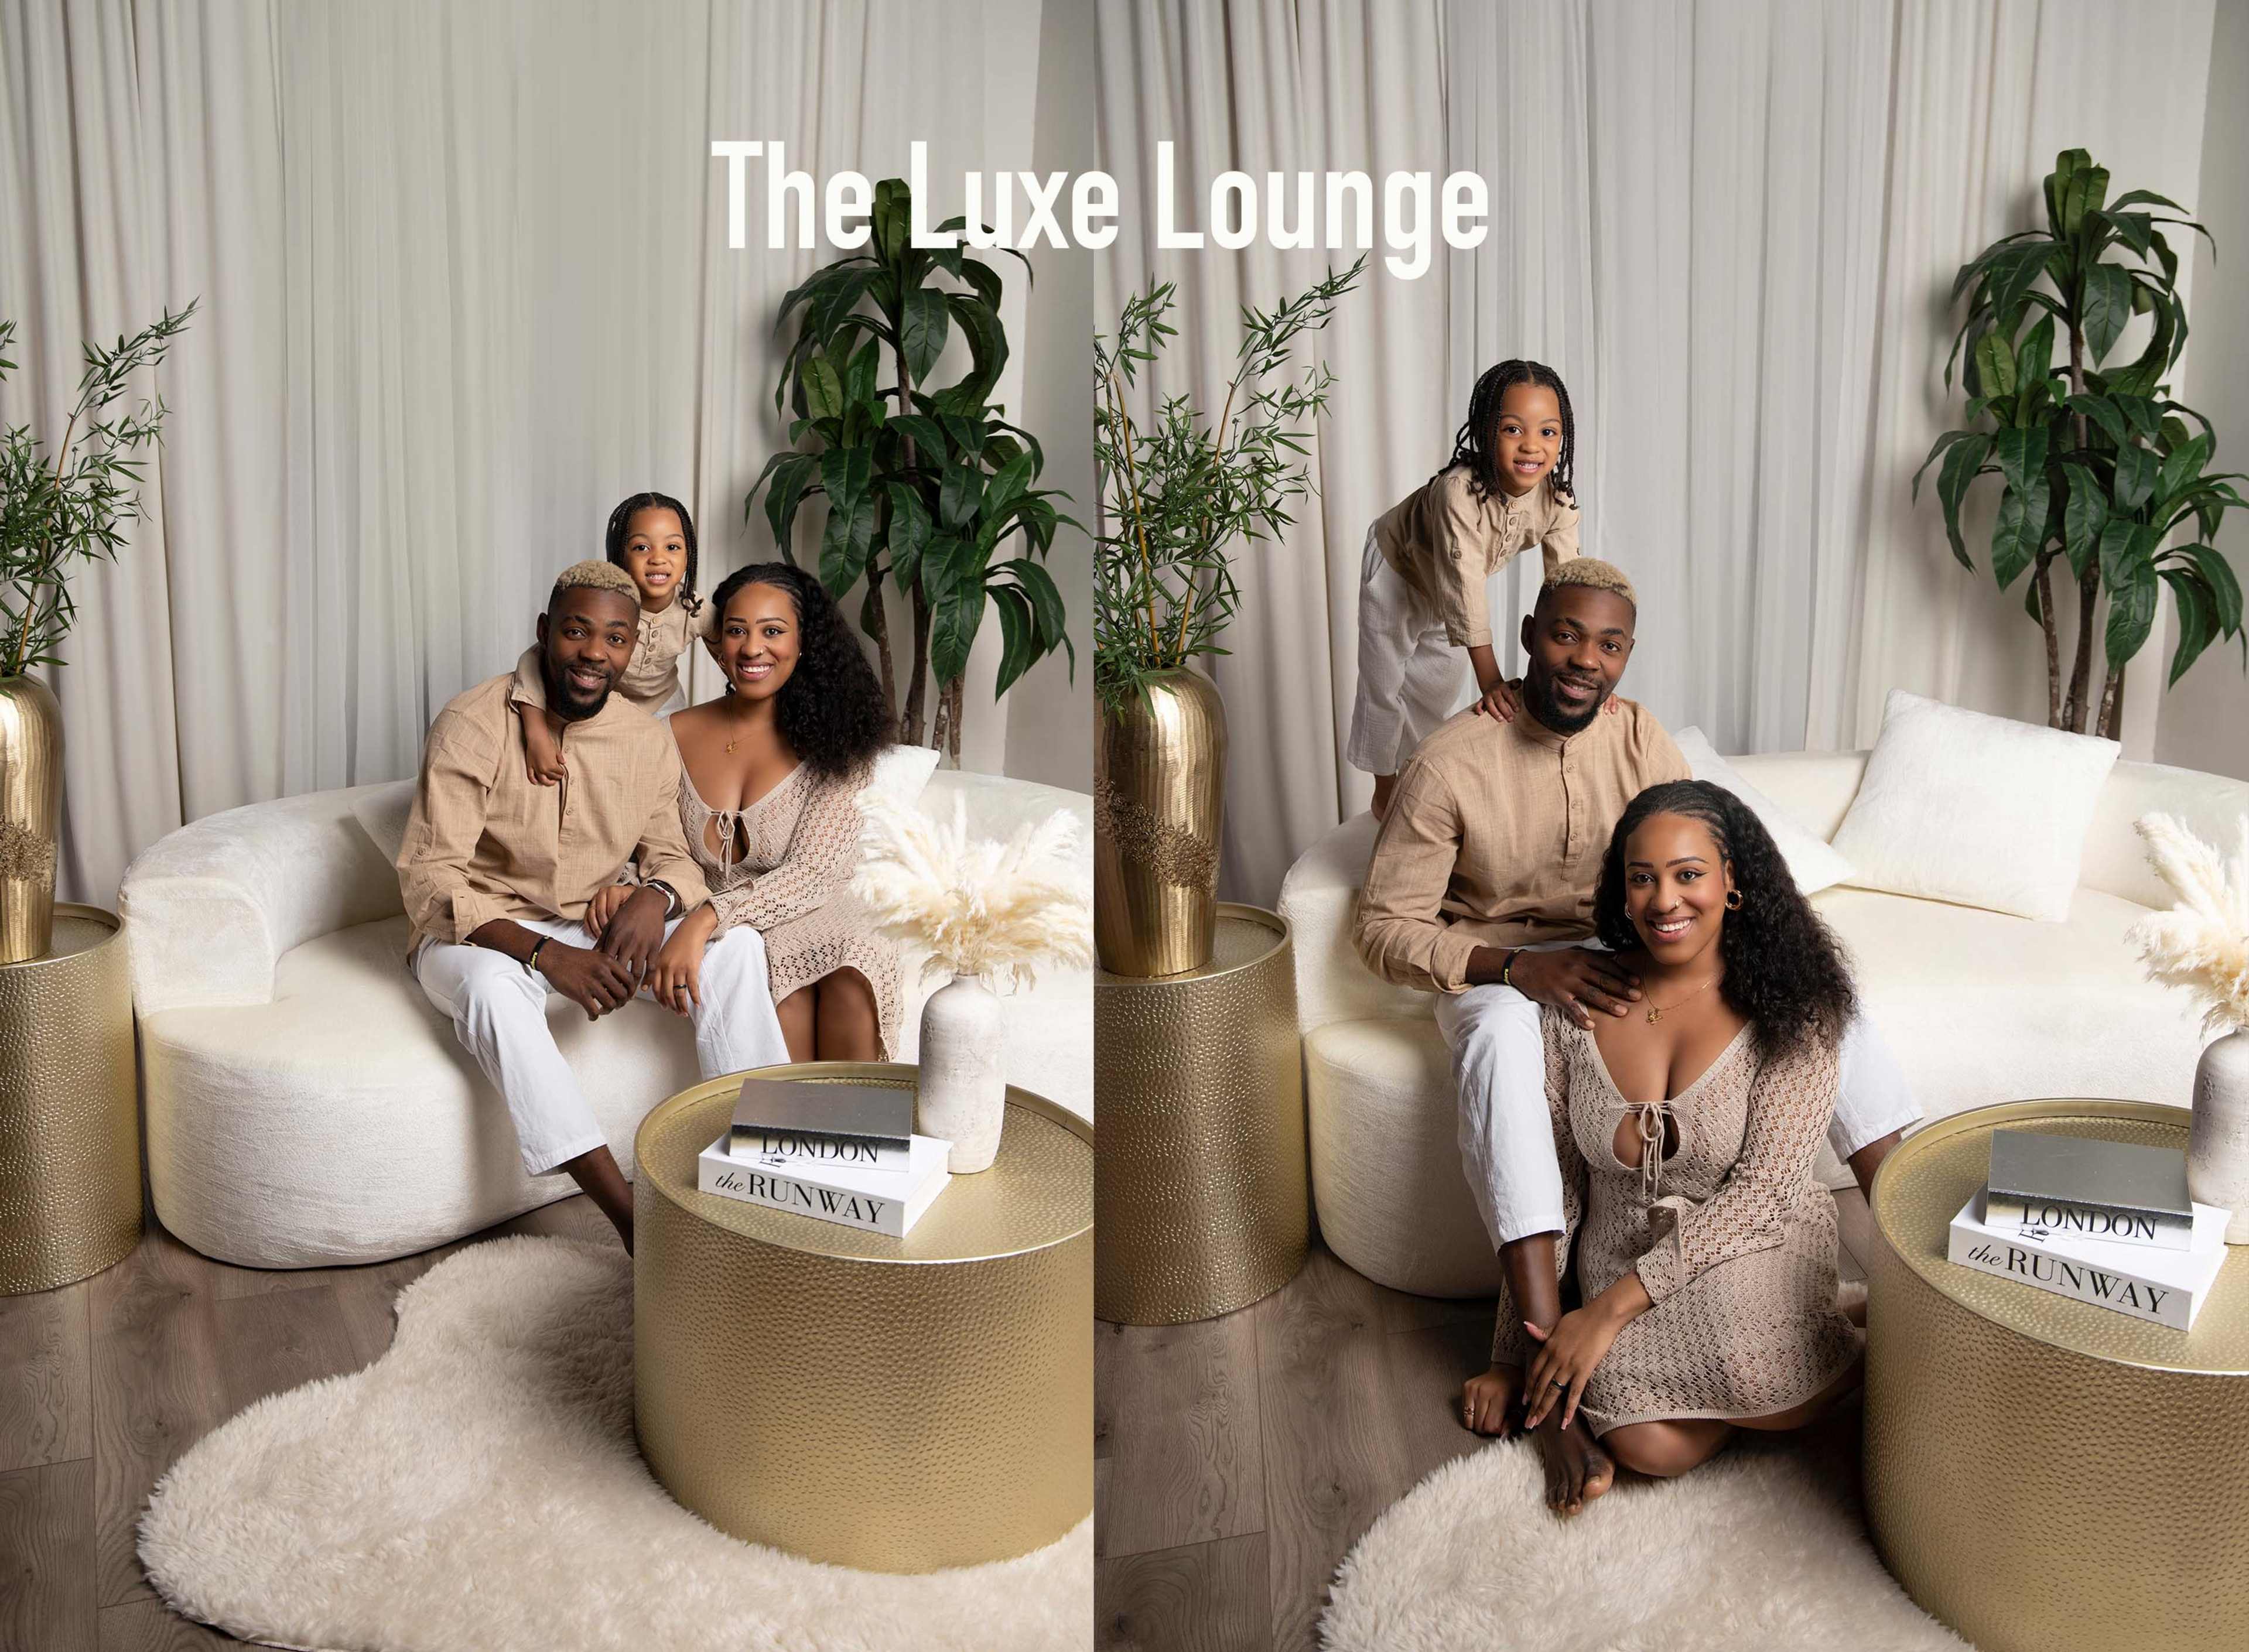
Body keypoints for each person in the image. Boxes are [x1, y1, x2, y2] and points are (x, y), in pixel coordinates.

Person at [1351, 556, 1918, 1505]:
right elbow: (1381, 927)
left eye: (1608, 644)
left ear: (1626, 656)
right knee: (1501, 1040)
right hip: (1501, 961)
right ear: (1531, 634)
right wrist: (1517, 969)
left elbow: (1687, 847)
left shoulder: (1640, 733)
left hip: (1628, 940)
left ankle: (1920, 1249)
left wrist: (1731, 939)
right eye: (1567, 635)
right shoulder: (1453, 760)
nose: (1584, 659)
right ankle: (1543, 1365)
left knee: (1817, 993)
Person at [1480, 780, 1866, 1514]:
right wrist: (1513, 1352)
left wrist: (1607, 1314)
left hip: (1751, 1239)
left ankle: (1854, 1360)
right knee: (1645, 1445)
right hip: (1618, 1252)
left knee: (1742, 1363)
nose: (1665, 900)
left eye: (1689, 874)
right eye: (1642, 877)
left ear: (1733, 884)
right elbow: (1555, 1184)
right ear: (1621, 892)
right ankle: (1815, 1347)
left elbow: (1761, 1193)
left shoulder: (1797, 1010)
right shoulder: (1578, 1008)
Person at [398, 560, 790, 1249]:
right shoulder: (474, 723)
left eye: (614, 639)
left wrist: (654, 896)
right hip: (475, 936)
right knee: (492, 990)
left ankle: (772, 1185)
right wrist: (549, 958)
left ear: (632, 646)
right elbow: (431, 882)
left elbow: (671, 854)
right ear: (547, 632)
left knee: (738, 950)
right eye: (577, 632)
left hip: (586, 927)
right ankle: (632, 1224)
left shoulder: (644, 740)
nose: (593, 654)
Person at [599, 562, 901, 1063]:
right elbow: (652, 844)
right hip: (738, 932)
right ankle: (783, 1138)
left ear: (805, 643)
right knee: (770, 977)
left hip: (816, 910)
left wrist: (706, 921)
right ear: (717, 643)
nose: (753, 648)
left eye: (773, 631)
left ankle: (859, 1135)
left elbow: (814, 874)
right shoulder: (667, 735)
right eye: (737, 630)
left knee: (851, 970)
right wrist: (630, 887)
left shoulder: (840, 740)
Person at [1348, 360, 1588, 820]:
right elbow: (1464, 587)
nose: (1532, 446)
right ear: (1485, 431)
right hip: (1399, 569)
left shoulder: (1556, 501)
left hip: (1447, 591)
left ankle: (1417, 780)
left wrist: (1577, 667)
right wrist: (1493, 681)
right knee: (1385, 682)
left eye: (1549, 432)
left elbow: (1567, 591)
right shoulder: (1460, 491)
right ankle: (1384, 790)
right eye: (1514, 429)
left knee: (1434, 690)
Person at [512, 491, 714, 785]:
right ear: (621, 555)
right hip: (607, 702)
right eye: (642, 547)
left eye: (672, 547)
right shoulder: (604, 602)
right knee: (602, 775)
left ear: (688, 556)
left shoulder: (693, 609)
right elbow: (534, 661)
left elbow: (735, 645)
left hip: (665, 705)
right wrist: (536, 733)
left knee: (678, 777)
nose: (658, 559)